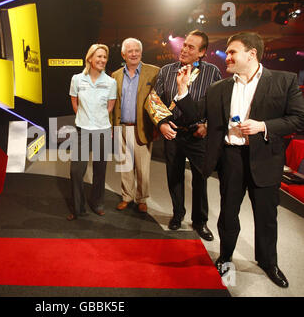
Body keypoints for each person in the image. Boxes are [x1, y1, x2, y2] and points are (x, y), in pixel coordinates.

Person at [175, 32, 304, 287]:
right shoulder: (218, 88)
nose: (227, 57)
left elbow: (299, 119)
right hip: (231, 159)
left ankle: (268, 262)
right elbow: (195, 115)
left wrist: (263, 126)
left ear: (251, 54)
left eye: (232, 52)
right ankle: (225, 257)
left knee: (266, 217)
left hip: (266, 159)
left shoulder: (284, 81)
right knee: (228, 214)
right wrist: (182, 91)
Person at [155, 30, 221, 241]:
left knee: (200, 179)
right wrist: (162, 123)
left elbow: (219, 105)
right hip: (172, 133)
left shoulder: (212, 72)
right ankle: (177, 214)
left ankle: (200, 221)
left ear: (202, 52)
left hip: (198, 135)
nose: (184, 49)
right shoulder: (166, 70)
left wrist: (208, 125)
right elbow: (154, 100)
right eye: (184, 45)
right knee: (174, 177)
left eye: (191, 47)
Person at [67, 44, 117, 221]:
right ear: (90, 58)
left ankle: (97, 203)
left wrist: (98, 121)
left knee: (100, 170)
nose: (102, 60)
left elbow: (109, 108)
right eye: (99, 56)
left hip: (102, 130)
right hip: (82, 130)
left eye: (105, 57)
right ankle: (78, 207)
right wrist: (84, 118)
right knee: (76, 171)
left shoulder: (111, 82)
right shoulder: (77, 79)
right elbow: (75, 103)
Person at [111, 38, 160, 213]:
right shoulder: (115, 75)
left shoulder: (154, 72)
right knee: (125, 165)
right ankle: (127, 197)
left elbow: (158, 102)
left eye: (136, 50)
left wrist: (157, 126)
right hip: (121, 127)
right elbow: (113, 103)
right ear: (123, 54)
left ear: (141, 52)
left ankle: (142, 199)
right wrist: (112, 128)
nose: (133, 54)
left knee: (142, 168)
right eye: (130, 51)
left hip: (142, 128)